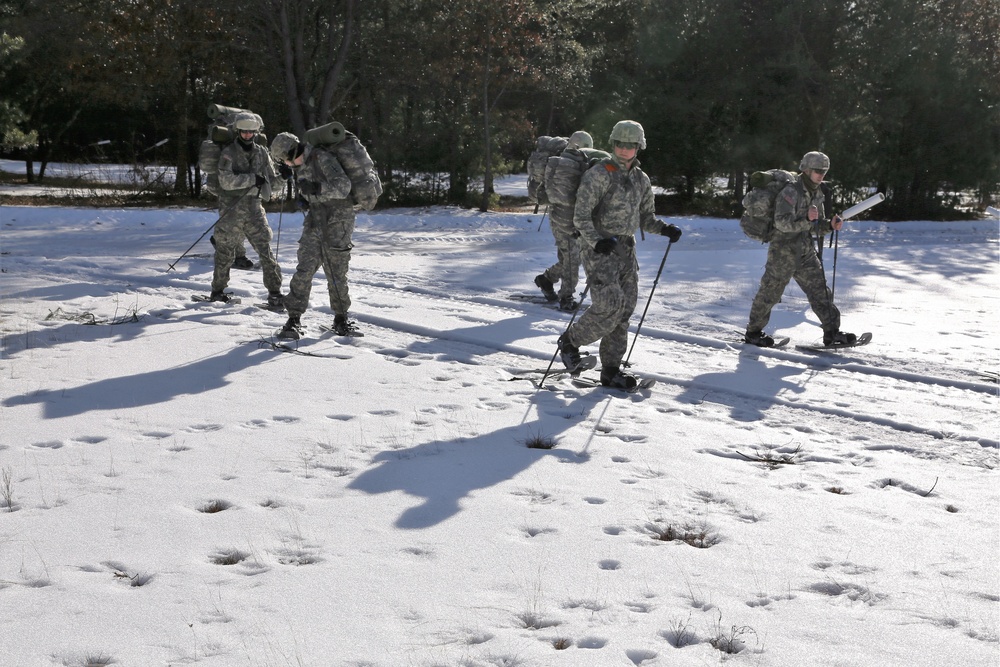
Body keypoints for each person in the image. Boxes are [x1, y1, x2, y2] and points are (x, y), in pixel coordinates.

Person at [556, 120, 682, 390]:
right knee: (609, 305)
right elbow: (580, 216)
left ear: (639, 147)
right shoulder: (599, 174)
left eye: (630, 145)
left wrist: (665, 229)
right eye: (620, 144)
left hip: (626, 250)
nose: (624, 150)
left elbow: (646, 218)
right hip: (599, 249)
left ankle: (610, 369)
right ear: (613, 144)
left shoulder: (641, 179)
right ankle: (570, 341)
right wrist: (595, 240)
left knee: (624, 310)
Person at [744, 151, 856, 348]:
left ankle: (832, 332)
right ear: (806, 170)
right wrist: (807, 221)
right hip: (783, 252)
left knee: (820, 290)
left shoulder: (818, 191)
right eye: (817, 171)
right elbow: (781, 223)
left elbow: (815, 224)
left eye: (824, 171)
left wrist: (829, 225)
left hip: (804, 250)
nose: (821, 175)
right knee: (770, 292)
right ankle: (753, 332)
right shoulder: (791, 191)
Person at [270, 131, 359, 339]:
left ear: (293, 152)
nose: (288, 164)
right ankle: (293, 318)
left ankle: (341, 318)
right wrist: (306, 198)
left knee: (336, 271)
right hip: (315, 219)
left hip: (338, 220)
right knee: (305, 268)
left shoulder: (322, 158)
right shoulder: (300, 166)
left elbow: (343, 187)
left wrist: (317, 188)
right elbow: (310, 191)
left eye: (286, 159)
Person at [210, 113, 284, 306]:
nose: (248, 135)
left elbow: (271, 184)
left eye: (251, 132)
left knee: (265, 250)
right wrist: (252, 179)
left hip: (254, 208)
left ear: (255, 132)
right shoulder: (229, 152)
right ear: (238, 131)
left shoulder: (261, 152)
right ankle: (217, 290)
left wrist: (283, 177)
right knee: (225, 251)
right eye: (244, 132)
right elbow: (225, 181)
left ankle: (275, 293)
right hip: (231, 209)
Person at [534, 130, 592, 311]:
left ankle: (546, 279)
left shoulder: (565, 164)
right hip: (566, 219)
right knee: (572, 259)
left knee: (571, 258)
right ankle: (566, 297)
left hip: (564, 217)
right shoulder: (572, 166)